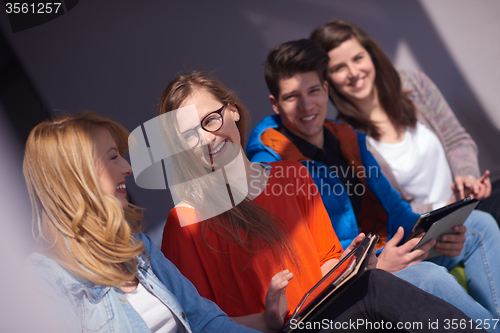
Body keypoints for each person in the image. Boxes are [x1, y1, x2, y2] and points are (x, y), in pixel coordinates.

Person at [158, 71, 484, 333]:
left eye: (210, 120)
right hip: (285, 329)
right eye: (187, 135)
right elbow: (195, 321)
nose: (205, 138)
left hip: (330, 309)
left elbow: (329, 263)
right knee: (406, 281)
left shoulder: (293, 175)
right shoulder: (185, 220)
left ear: (231, 110)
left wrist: (357, 265)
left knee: (427, 276)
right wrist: (266, 320)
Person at [245, 38, 500, 329]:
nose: (306, 105)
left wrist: (429, 232)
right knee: (429, 278)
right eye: (292, 97)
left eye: (313, 91)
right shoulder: (269, 163)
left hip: (382, 251)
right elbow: (301, 254)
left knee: (481, 226)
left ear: (326, 90)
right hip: (345, 280)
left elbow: (394, 207)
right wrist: (375, 265)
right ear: (275, 104)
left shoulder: (347, 137)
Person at [23, 112, 260, 333]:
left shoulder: (135, 245)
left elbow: (204, 320)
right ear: (76, 175)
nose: (128, 168)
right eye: (113, 158)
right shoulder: (43, 280)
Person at [309, 19, 499, 219]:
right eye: (339, 68)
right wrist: (447, 206)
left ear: (371, 55)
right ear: (327, 80)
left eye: (358, 58)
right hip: (427, 229)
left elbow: (456, 140)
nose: (354, 73)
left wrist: (468, 179)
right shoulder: (344, 140)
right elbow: (387, 208)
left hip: (468, 206)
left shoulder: (414, 84)